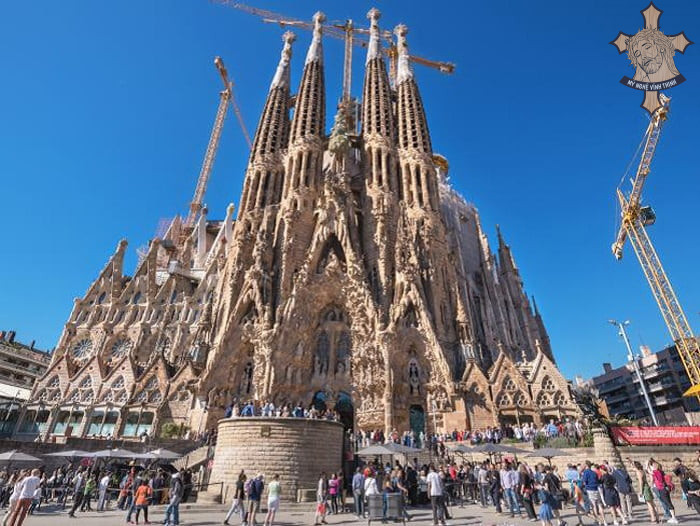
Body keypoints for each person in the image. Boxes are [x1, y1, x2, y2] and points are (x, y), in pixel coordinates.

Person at [581, 461, 606, 526]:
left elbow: (584, 482)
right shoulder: (594, 472)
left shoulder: (586, 472)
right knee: (599, 505)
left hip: (590, 490)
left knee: (594, 506)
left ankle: (598, 521)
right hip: (596, 489)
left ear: (586, 465)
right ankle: (605, 521)